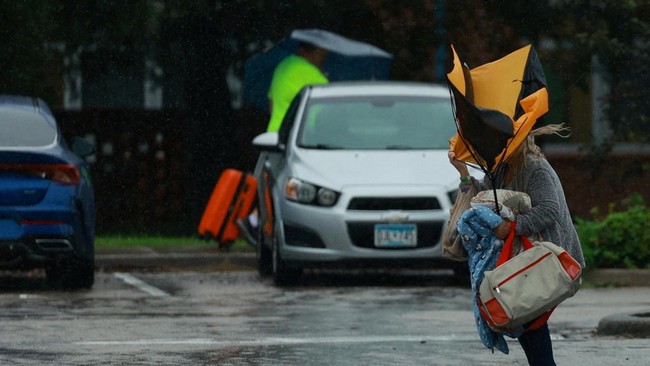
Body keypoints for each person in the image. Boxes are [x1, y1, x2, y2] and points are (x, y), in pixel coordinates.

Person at [448, 124, 586, 366]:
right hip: (530, 258)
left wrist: (512, 226)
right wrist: (463, 172)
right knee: (528, 323)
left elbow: (549, 209)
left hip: (549, 257)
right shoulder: (502, 167)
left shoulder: (534, 167)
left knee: (529, 321)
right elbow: (485, 197)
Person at [237, 41, 330, 245]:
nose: (326, 55)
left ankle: (256, 222)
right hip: (299, 140)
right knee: (293, 188)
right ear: (315, 50)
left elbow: (271, 103)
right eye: (324, 51)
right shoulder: (314, 77)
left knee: (269, 182)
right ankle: (260, 223)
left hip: (273, 134)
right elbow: (325, 114)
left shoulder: (284, 66)